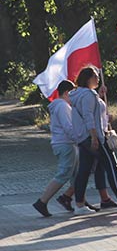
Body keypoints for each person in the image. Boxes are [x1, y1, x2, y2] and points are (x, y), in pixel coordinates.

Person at [70, 65, 117, 214]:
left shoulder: (80, 94)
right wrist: (95, 137)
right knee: (111, 166)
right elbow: (89, 116)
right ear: (88, 78)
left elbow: (92, 112)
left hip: (83, 138)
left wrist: (99, 97)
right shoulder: (88, 95)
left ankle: (79, 204)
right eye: (95, 76)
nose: (98, 79)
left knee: (84, 170)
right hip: (94, 137)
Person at [32, 80, 78, 217]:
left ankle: (77, 200)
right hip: (66, 144)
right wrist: (79, 138)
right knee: (64, 174)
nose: (74, 97)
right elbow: (68, 126)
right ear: (66, 92)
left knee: (78, 174)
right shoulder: (63, 106)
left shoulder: (59, 106)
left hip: (64, 143)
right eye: (73, 93)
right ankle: (42, 201)